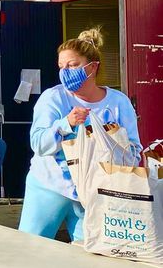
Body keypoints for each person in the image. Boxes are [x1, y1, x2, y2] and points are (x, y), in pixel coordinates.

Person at [18, 28, 142, 242]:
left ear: (92, 67)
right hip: (50, 184)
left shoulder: (118, 102)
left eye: (73, 65)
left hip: (94, 190)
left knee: (91, 250)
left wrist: (115, 140)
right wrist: (66, 123)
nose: (65, 71)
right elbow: (38, 144)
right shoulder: (53, 98)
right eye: (61, 66)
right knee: (31, 247)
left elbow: (134, 151)